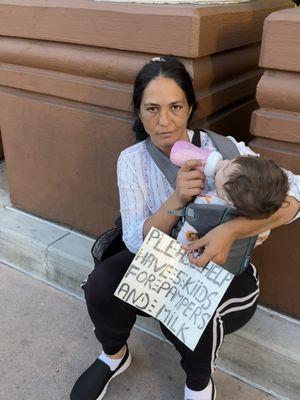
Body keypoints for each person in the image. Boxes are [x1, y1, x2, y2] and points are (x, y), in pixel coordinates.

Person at [70, 56, 300, 400]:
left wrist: (232, 230)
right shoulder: (132, 161)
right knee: (101, 285)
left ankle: (198, 384)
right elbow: (135, 240)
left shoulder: (225, 150)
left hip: (223, 270)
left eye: (176, 106)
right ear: (138, 111)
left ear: (190, 107)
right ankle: (114, 355)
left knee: (195, 319)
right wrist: (176, 198)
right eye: (151, 109)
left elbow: (294, 193)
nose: (165, 122)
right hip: (163, 259)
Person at [176, 154, 289, 245]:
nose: (223, 162)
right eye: (229, 162)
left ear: (229, 199)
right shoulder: (258, 215)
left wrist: (179, 244)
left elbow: (188, 233)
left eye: (224, 170)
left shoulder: (206, 204)